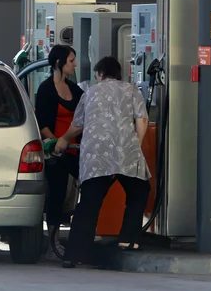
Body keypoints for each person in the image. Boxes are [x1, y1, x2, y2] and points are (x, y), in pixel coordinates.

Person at [55, 56, 151, 268]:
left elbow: (78, 125)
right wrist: (136, 145)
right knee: (139, 189)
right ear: (119, 73)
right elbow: (142, 120)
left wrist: (63, 140)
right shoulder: (131, 90)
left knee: (89, 202)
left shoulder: (89, 92)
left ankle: (75, 253)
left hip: (96, 155)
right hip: (125, 151)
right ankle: (129, 239)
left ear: (100, 74)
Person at [34, 45, 84, 257]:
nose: (74, 64)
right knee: (57, 193)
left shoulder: (75, 90)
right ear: (58, 63)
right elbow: (42, 121)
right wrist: (57, 142)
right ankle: (53, 240)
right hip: (56, 151)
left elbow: (84, 115)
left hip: (75, 149)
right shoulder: (46, 89)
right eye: (71, 60)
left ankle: (82, 236)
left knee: (90, 187)